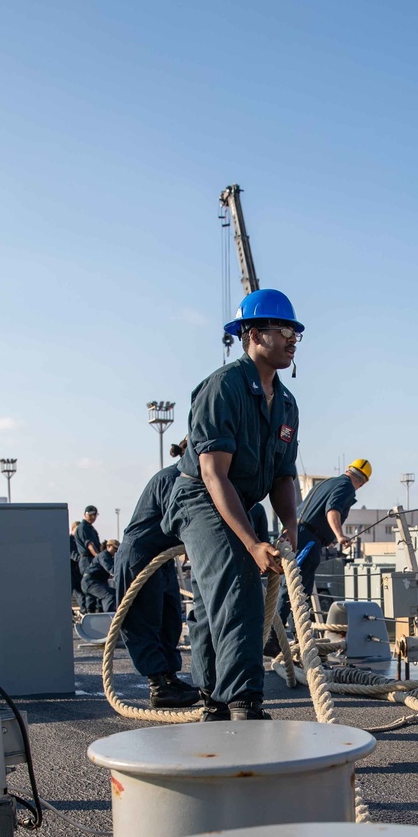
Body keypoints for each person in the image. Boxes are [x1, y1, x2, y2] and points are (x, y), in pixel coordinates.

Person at [161, 288, 302, 721]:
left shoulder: (287, 403)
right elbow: (212, 474)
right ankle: (244, 702)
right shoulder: (223, 387)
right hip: (201, 495)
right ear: (254, 334)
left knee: (209, 602)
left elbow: (283, 474)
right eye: (284, 331)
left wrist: (290, 526)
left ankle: (214, 700)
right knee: (238, 582)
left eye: (296, 333)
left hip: (241, 497)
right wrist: (253, 545)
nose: (293, 339)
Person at [112, 456, 197, 710]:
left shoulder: (185, 479)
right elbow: (179, 520)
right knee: (144, 620)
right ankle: (158, 686)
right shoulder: (172, 479)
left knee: (169, 620)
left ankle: (170, 678)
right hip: (141, 555)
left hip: (162, 557)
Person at [295, 459, 371, 595]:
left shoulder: (327, 482)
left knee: (293, 585)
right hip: (308, 542)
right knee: (297, 591)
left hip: (296, 534)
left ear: (348, 470)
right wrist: (339, 535)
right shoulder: (347, 486)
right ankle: (284, 617)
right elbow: (332, 509)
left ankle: (280, 616)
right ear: (363, 482)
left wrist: (327, 537)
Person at [74, 506, 101, 613]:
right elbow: (90, 545)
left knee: (96, 584)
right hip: (87, 560)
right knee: (90, 586)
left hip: (91, 559)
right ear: (85, 514)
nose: (93, 517)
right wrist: (99, 558)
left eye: (95, 515)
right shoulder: (83, 528)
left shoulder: (90, 528)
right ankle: (90, 611)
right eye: (91, 515)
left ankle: (95, 610)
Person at [82, 539, 119, 613]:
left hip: (94, 582)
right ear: (108, 546)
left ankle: (95, 615)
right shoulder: (104, 555)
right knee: (110, 595)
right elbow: (111, 569)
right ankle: (109, 616)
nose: (116, 551)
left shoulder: (109, 557)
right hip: (91, 581)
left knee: (95, 606)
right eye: (115, 548)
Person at [68, 523, 83, 605]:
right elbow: (72, 553)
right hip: (71, 569)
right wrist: (80, 559)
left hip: (78, 570)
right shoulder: (70, 540)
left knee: (81, 592)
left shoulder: (80, 540)